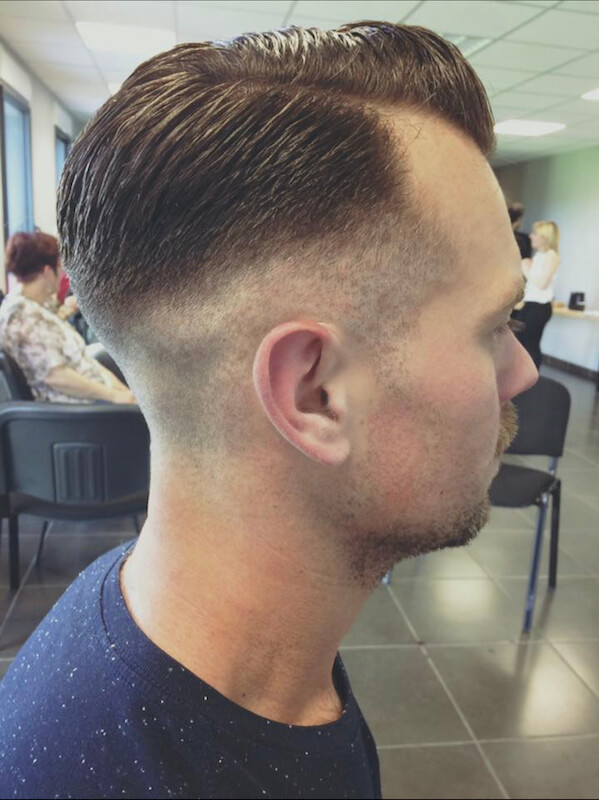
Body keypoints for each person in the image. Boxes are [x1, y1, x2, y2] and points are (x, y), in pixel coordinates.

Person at [0, 22, 538, 799]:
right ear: (314, 392)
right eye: (493, 327)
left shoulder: (228, 662)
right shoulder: (97, 771)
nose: (522, 372)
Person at [0, 231, 136, 404]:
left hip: (94, 399)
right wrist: (114, 396)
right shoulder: (21, 315)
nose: (63, 273)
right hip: (75, 410)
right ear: (47, 272)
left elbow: (83, 361)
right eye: (59, 267)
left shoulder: (34, 306)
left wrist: (124, 393)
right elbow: (56, 377)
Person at [511, 220, 560, 369]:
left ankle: (532, 379)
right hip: (530, 305)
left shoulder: (552, 256)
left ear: (544, 237)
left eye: (535, 234)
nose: (531, 236)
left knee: (531, 344)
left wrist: (526, 269)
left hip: (539, 307)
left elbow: (542, 284)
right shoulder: (539, 256)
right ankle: (520, 375)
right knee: (519, 341)